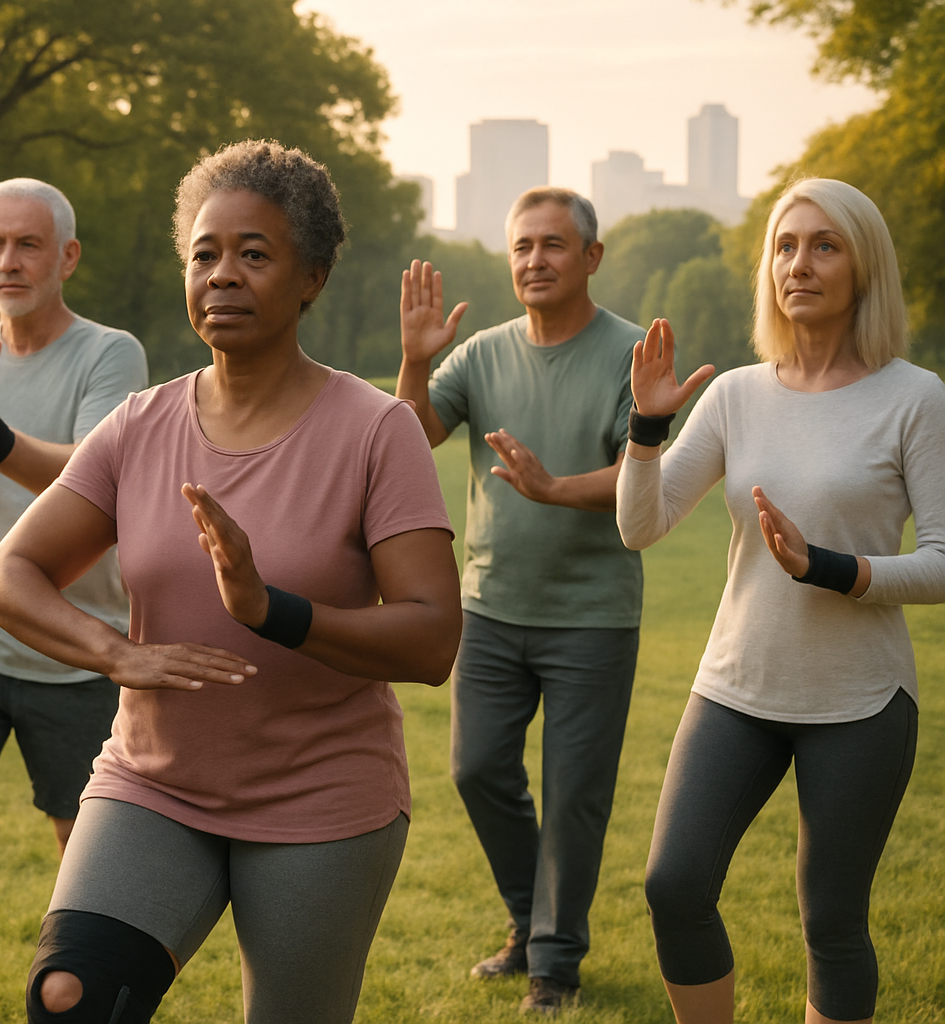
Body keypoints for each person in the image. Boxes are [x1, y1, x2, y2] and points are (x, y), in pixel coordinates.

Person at [0, 139, 462, 1024]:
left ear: (310, 277)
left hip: (322, 799)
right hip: (153, 783)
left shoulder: (375, 430)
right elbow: (8, 577)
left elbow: (433, 639)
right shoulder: (137, 426)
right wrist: (115, 654)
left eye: (254, 254)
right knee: (67, 996)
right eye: (205, 254)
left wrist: (271, 610)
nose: (223, 274)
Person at [615, 178, 945, 1024]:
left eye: (824, 245)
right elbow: (641, 526)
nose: (799, 263)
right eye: (786, 246)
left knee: (831, 922)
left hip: (861, 701)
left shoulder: (915, 398)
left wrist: (831, 568)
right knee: (674, 884)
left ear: (863, 267)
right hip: (735, 690)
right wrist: (646, 431)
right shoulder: (734, 394)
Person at [396, 187, 644, 1014]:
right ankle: (526, 920)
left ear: (590, 258)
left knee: (575, 792)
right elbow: (408, 436)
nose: (534, 261)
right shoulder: (483, 354)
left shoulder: (630, 352)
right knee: (476, 769)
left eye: (552, 246)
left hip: (593, 615)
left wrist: (555, 487)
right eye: (521, 248)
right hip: (492, 608)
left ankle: (555, 963)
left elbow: (644, 479)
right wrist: (417, 361)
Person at [0, 178, 147, 1024]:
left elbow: (85, 478)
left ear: (67, 256)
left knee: (79, 865)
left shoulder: (109, 354)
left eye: (26, 244)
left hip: (78, 643)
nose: (6, 261)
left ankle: (66, 1002)